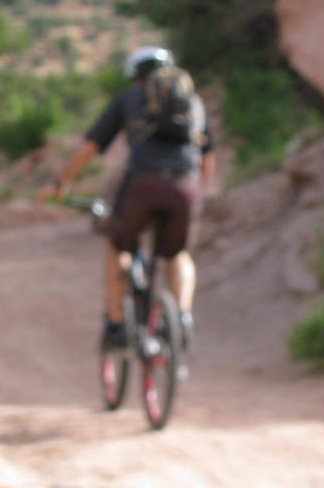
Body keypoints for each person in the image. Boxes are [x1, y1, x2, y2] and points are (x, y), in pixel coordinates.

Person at [39, 46, 214, 357]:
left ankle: (117, 326)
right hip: (185, 187)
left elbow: (89, 149)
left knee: (119, 246)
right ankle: (183, 317)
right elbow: (207, 157)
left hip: (142, 185)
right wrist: (201, 191)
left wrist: (61, 183)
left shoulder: (130, 99)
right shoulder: (192, 101)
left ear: (136, 77)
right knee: (178, 255)